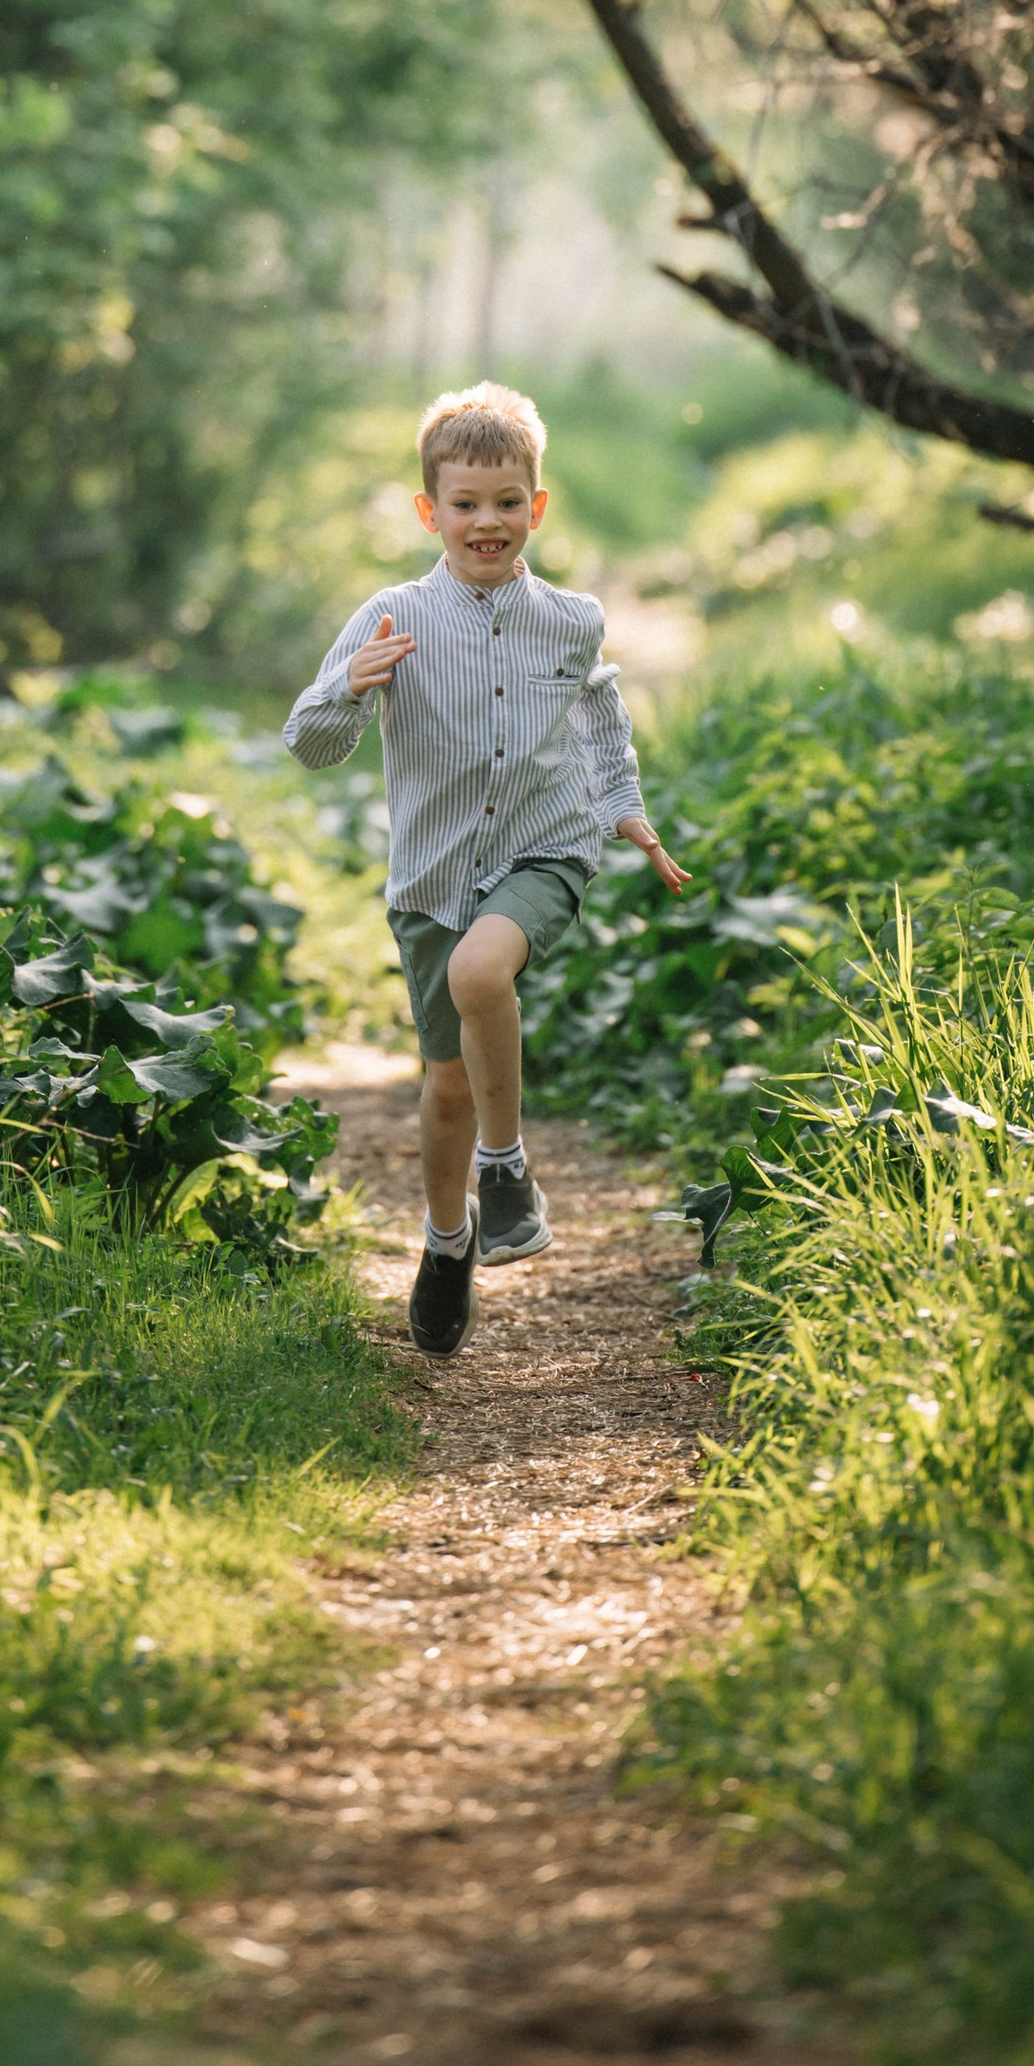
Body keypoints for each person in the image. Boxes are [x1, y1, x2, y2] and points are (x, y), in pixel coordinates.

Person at [283, 381, 690, 1357]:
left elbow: (596, 713)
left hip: (543, 850)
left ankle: (505, 1174)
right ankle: (447, 1240)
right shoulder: (390, 616)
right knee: (447, 1085)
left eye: (507, 502)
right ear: (430, 511)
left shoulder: (571, 619)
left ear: (536, 507)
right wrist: (349, 687)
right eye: (464, 504)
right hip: (431, 878)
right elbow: (308, 741)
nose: (487, 522)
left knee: (481, 973)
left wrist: (623, 809)